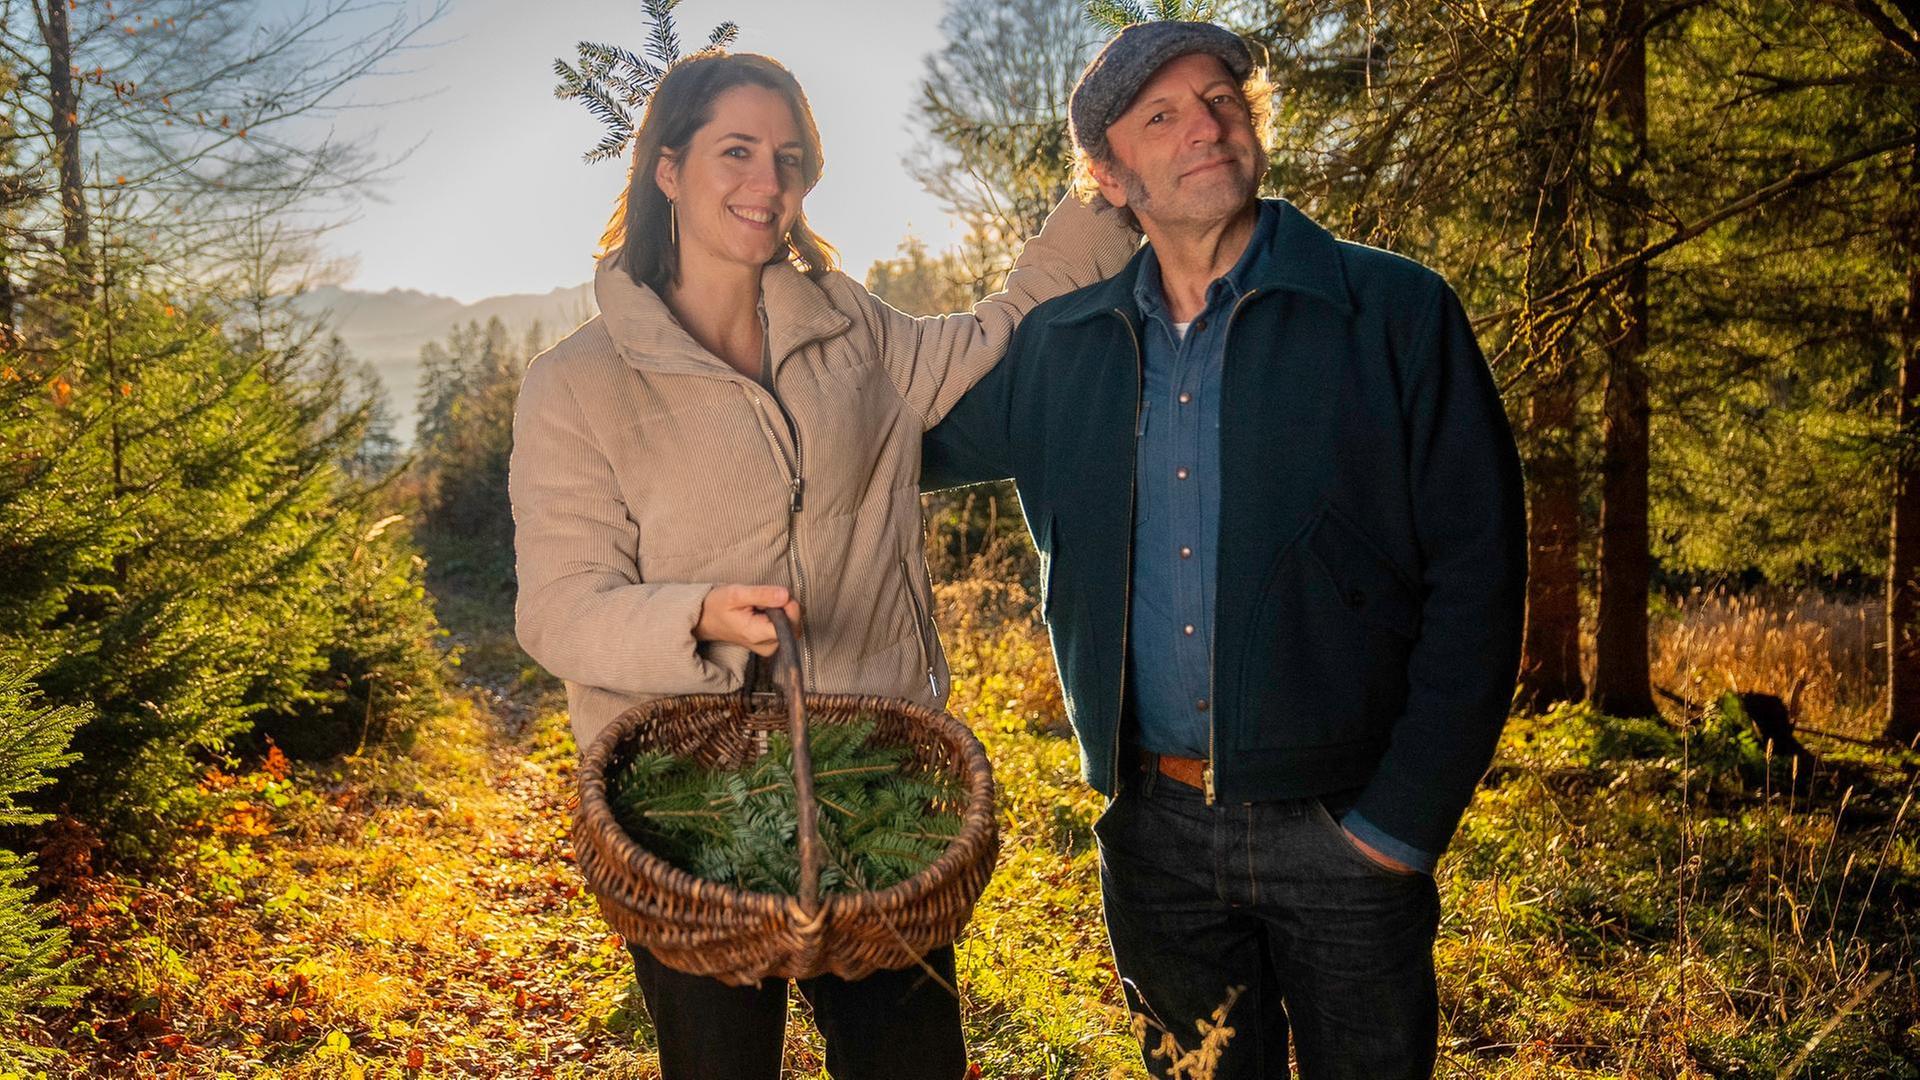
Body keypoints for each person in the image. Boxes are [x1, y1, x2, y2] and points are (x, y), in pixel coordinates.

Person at [507, 48, 1138, 1080]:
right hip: (688, 806)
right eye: (738, 152)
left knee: (912, 1063)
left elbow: (998, 331)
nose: (769, 183)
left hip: (874, 781)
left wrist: (1106, 194)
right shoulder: (577, 383)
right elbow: (559, 608)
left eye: (790, 157)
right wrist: (698, 616)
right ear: (666, 167)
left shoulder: (849, 327)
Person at [922, 21, 1528, 1080]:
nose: (1207, 124)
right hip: (1155, 837)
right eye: (1162, 114)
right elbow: (880, 434)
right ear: (1106, 177)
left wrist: (1400, 823)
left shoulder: (1393, 311)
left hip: (1348, 834)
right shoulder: (1064, 353)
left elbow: (1480, 576)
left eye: (1222, 99)